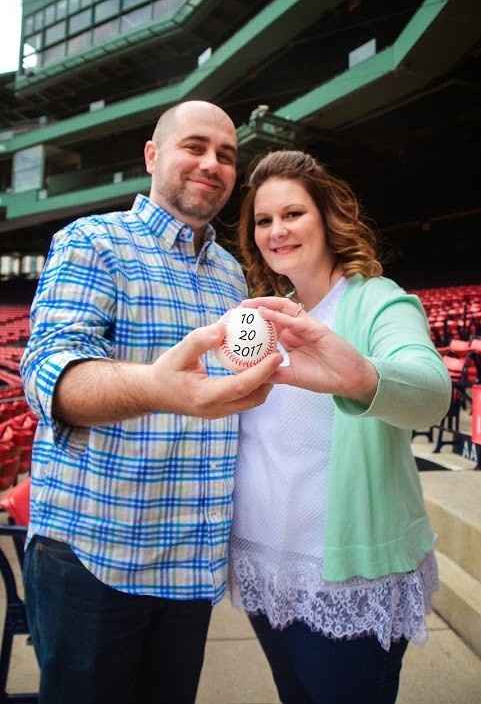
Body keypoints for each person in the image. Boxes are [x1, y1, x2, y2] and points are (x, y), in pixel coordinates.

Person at [20, 100, 282, 704]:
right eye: (195, 146)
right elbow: (49, 375)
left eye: (226, 154)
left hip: (188, 557)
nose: (212, 164)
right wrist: (155, 388)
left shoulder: (230, 274)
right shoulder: (93, 242)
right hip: (96, 553)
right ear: (153, 155)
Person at [229, 150, 451, 704]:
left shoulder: (377, 299)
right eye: (263, 220)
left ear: (328, 218)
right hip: (263, 566)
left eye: (293, 214)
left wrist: (352, 373)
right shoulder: (263, 315)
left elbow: (430, 394)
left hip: (343, 577)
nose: (276, 231)